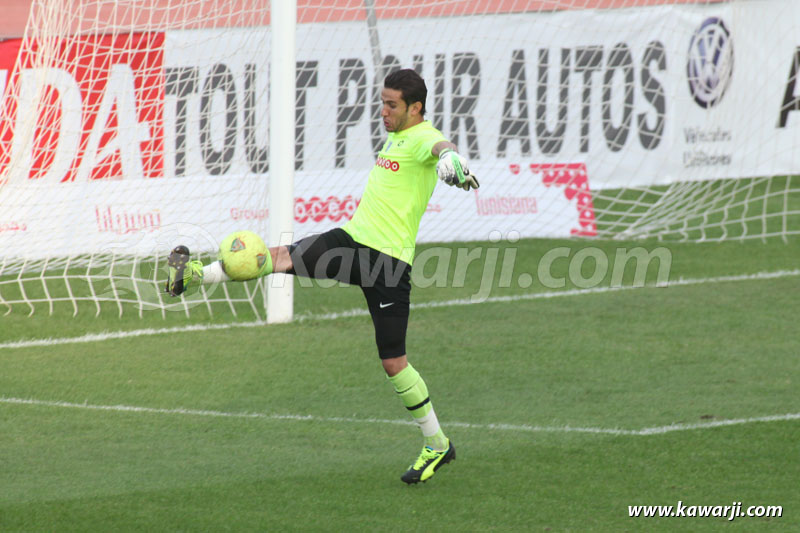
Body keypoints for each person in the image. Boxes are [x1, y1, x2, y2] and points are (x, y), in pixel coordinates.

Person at [166, 69, 479, 484]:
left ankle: (437, 445)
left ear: (415, 108)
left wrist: (451, 157)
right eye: (382, 102)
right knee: (280, 256)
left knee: (393, 361)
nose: (383, 111)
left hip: (386, 264)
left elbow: (440, 146)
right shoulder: (398, 135)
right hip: (352, 239)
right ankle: (191, 276)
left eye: (392, 105)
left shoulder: (422, 136)